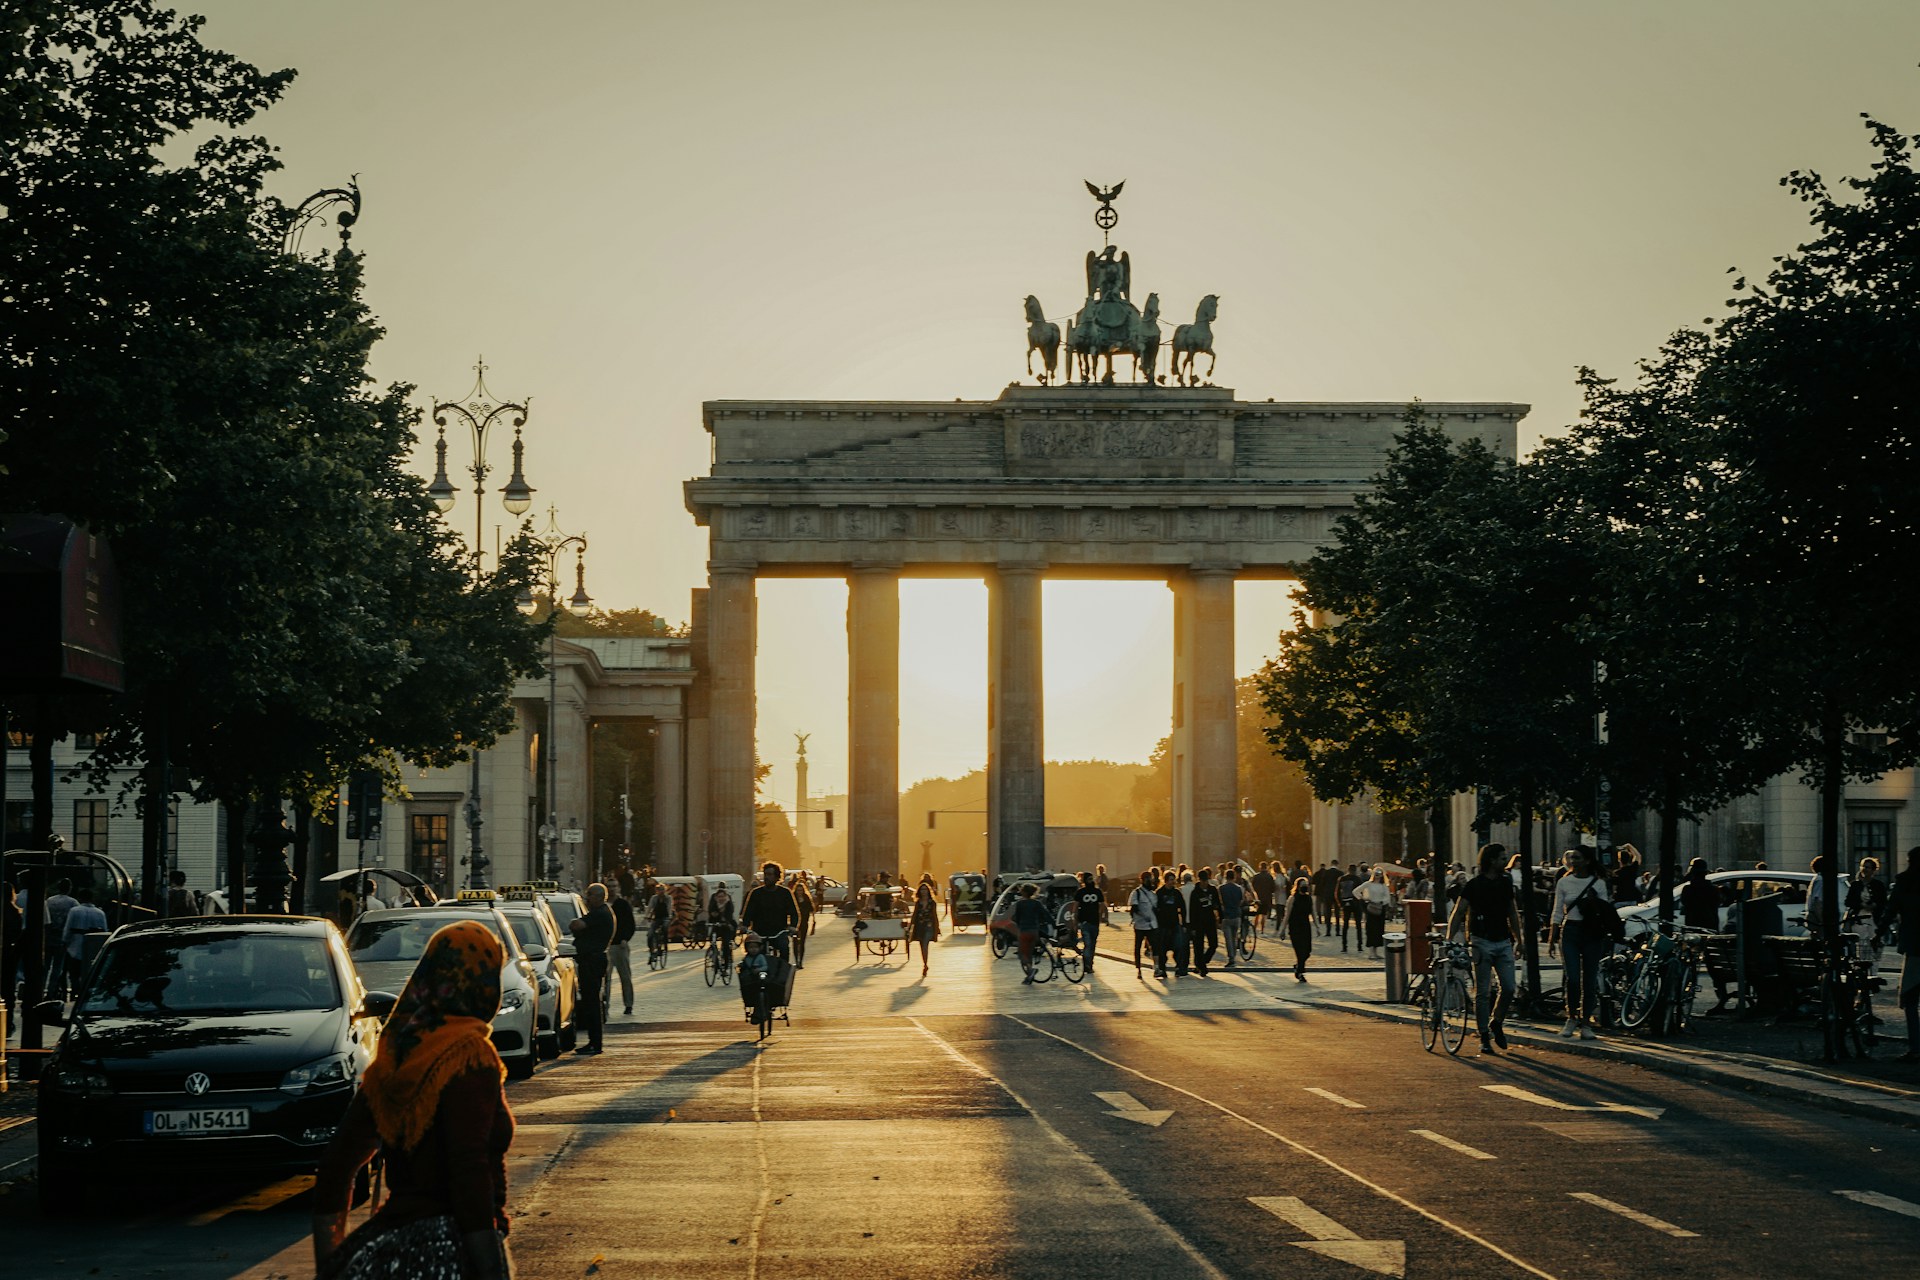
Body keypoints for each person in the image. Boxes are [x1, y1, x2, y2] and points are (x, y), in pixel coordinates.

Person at [312, 920, 517, 1280]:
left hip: (391, 1246)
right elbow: (469, 1173)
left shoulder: (396, 1053)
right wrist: (490, 1268)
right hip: (452, 1251)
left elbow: (336, 1166)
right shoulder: (469, 1055)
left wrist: (332, 1263)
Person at [1449, 843, 1523, 1055]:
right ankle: (1483, 1036)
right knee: (1483, 991)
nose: (1505, 862)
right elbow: (1459, 911)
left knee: (1509, 987)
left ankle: (1496, 1021)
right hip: (1481, 941)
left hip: (1503, 941)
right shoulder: (1474, 885)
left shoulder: (1505, 884)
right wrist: (1450, 938)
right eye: (1502, 858)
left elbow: (1513, 913)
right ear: (1491, 861)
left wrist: (1520, 940)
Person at [1549, 848, 1611, 1040]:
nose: (1572, 860)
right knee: (1573, 978)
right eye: (1571, 857)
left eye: (1577, 857)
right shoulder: (1564, 882)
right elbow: (1557, 910)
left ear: (1587, 861)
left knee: (1590, 979)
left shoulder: (1599, 883)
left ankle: (1586, 1023)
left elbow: (1605, 910)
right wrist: (1552, 937)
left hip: (1591, 932)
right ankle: (1571, 1017)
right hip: (1570, 931)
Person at [1679, 858, 1733, 1011]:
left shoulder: (1688, 889)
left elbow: (1685, 904)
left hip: (1693, 930)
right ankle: (1721, 996)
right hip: (1710, 929)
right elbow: (1716, 904)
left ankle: (1686, 991)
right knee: (1712, 964)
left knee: (1689, 963)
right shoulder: (1713, 889)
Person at [568, 883, 614, 1055]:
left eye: (590, 895)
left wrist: (576, 925)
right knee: (590, 1003)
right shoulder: (601, 912)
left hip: (592, 961)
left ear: (599, 896)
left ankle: (595, 1043)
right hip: (592, 960)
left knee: (592, 1003)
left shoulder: (599, 914)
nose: (587, 898)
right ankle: (593, 1042)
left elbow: (576, 925)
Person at [1886, 846, 1920, 1061]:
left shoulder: (1905, 882)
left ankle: (1916, 1047)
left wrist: (1880, 931)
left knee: (1910, 997)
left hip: (1915, 948)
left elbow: (1891, 910)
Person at [740, 862, 800, 967]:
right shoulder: (755, 893)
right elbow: (748, 912)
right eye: (765, 874)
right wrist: (744, 926)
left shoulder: (785, 893)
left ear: (777, 877)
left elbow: (794, 912)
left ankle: (783, 971)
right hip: (759, 932)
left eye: (769, 874)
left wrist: (793, 927)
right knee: (753, 952)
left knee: (784, 947)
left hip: (779, 932)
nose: (766, 877)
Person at [1846, 856, 1889, 964]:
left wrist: (1874, 905)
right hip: (1859, 919)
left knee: (1875, 943)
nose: (1865, 869)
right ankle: (1862, 968)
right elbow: (1848, 901)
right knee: (1862, 945)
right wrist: (1861, 905)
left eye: (1868, 867)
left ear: (1874, 870)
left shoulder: (1878, 885)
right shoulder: (1855, 885)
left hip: (1874, 919)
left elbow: (1883, 902)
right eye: (1863, 867)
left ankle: (1873, 969)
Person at [60, 886, 108, 980]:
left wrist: (65, 941)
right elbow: (105, 932)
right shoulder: (100, 913)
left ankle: (74, 991)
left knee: (74, 976)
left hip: (75, 948)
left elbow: (67, 930)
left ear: (80, 898)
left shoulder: (74, 911)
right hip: (93, 950)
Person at [1011, 883, 1050, 984]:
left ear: (1023, 892)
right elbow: (1046, 914)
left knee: (1022, 954)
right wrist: (1054, 924)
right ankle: (1029, 977)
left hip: (1024, 931)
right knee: (1030, 953)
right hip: (1034, 932)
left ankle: (1031, 970)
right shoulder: (1037, 903)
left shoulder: (1020, 904)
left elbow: (1016, 918)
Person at [609, 883, 637, 1016]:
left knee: (625, 976)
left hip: (620, 945)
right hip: (606, 947)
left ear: (618, 888)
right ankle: (604, 1005)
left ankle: (628, 1004)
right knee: (605, 979)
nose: (612, 888)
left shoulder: (623, 904)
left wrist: (625, 939)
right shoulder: (603, 905)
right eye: (609, 886)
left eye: (614, 886)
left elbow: (630, 924)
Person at [1187, 867, 1222, 977]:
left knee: (1214, 944)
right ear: (1199, 880)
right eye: (1203, 881)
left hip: (1210, 920)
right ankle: (1202, 967)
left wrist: (1220, 917)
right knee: (1198, 946)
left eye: (1206, 881)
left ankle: (1202, 962)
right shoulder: (1195, 893)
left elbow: (1218, 904)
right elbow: (1192, 910)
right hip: (1198, 922)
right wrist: (1192, 926)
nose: (1205, 883)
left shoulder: (1212, 889)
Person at [1153, 870, 1187, 979]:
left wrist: (1184, 922)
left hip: (1174, 924)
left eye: (1174, 880)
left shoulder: (1177, 893)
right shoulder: (1159, 893)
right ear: (1166, 880)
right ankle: (1162, 969)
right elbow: (1155, 908)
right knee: (1162, 948)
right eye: (1171, 880)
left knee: (1178, 947)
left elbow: (1183, 908)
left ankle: (1178, 968)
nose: (1173, 882)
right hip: (1162, 925)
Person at [1280, 876, 1314, 981]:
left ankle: (1298, 966)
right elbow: (1287, 915)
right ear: (1298, 886)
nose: (1305, 887)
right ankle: (1300, 973)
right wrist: (1282, 930)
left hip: (1305, 926)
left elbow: (1313, 912)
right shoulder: (1293, 898)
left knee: (1307, 951)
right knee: (1300, 951)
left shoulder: (1309, 898)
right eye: (1303, 885)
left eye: (1306, 885)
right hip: (1295, 927)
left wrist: (1317, 926)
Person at [1072, 871, 1104, 975]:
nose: (1092, 881)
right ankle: (1087, 965)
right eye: (1089, 879)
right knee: (1088, 944)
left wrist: (1103, 916)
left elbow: (1102, 905)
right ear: (1085, 881)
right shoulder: (1080, 892)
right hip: (1084, 922)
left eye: (1092, 879)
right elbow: (1075, 907)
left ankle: (1090, 964)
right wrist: (1075, 921)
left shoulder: (1098, 891)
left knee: (1093, 944)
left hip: (1095, 922)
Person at [1129, 871, 1160, 978]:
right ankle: (1138, 969)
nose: (1149, 881)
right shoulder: (1136, 893)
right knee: (1137, 947)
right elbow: (1134, 909)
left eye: (1150, 878)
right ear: (1142, 880)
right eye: (1147, 879)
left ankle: (1156, 967)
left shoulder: (1153, 894)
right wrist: (1142, 916)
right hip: (1140, 926)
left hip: (1152, 925)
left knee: (1155, 946)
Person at [1357, 869, 1392, 960]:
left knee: (1379, 931)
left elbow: (1387, 897)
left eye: (1379, 874)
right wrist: (1363, 899)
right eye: (1376, 873)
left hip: (1380, 910)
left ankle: (1375, 952)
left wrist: (1381, 903)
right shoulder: (1368, 884)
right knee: (1371, 930)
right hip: (1371, 909)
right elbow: (1356, 891)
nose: (1377, 875)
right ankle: (1371, 952)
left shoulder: (1383, 886)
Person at [909, 881, 941, 977]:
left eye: (925, 890)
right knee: (921, 945)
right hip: (919, 926)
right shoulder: (918, 903)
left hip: (929, 926)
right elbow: (915, 915)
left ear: (928, 891)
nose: (924, 892)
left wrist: (937, 928)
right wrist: (910, 926)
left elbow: (935, 915)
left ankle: (925, 964)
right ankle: (925, 964)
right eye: (922, 890)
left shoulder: (932, 903)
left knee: (925, 944)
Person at [1218, 865, 1248, 970]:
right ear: (1234, 877)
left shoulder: (1221, 888)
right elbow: (1241, 901)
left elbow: (1220, 902)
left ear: (1226, 877)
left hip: (1226, 915)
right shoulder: (1239, 888)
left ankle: (1231, 958)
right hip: (1237, 915)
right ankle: (1233, 956)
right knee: (1235, 937)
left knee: (1228, 939)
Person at [708, 885, 738, 970]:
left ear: (725, 896)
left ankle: (726, 963)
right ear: (716, 897)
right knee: (712, 940)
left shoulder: (728, 903)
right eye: (719, 896)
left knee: (725, 944)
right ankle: (714, 958)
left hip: (727, 926)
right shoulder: (714, 903)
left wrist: (725, 921)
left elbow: (729, 914)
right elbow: (711, 911)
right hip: (717, 925)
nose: (721, 898)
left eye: (722, 896)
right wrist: (711, 919)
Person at [788, 873, 814, 969]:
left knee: (802, 943)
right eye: (798, 890)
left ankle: (800, 961)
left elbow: (811, 909)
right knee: (795, 943)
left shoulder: (806, 899)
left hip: (804, 924)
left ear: (803, 891)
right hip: (795, 924)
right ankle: (796, 960)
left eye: (801, 890)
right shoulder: (793, 899)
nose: (799, 892)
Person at [646, 881, 673, 964]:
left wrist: (669, 916)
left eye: (662, 890)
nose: (660, 891)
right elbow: (650, 907)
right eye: (659, 890)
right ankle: (652, 953)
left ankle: (664, 943)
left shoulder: (668, 898)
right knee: (650, 935)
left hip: (665, 917)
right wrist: (647, 915)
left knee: (665, 927)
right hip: (657, 918)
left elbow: (669, 907)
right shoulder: (654, 898)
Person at [1336, 865, 1361, 952]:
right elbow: (1361, 892)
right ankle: (1359, 946)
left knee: (1345, 925)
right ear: (1355, 870)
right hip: (1356, 904)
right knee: (1358, 925)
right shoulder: (1358, 879)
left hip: (1345, 903)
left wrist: (1340, 904)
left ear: (1348, 870)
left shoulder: (1342, 879)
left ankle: (1344, 946)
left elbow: (1337, 892)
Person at [1251, 862, 1277, 936]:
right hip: (1267, 898)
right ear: (1267, 867)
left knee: (1257, 914)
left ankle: (1254, 929)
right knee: (1264, 915)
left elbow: (1253, 887)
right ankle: (1262, 930)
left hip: (1257, 898)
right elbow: (1273, 888)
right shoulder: (1269, 877)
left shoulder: (1256, 876)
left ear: (1260, 867)